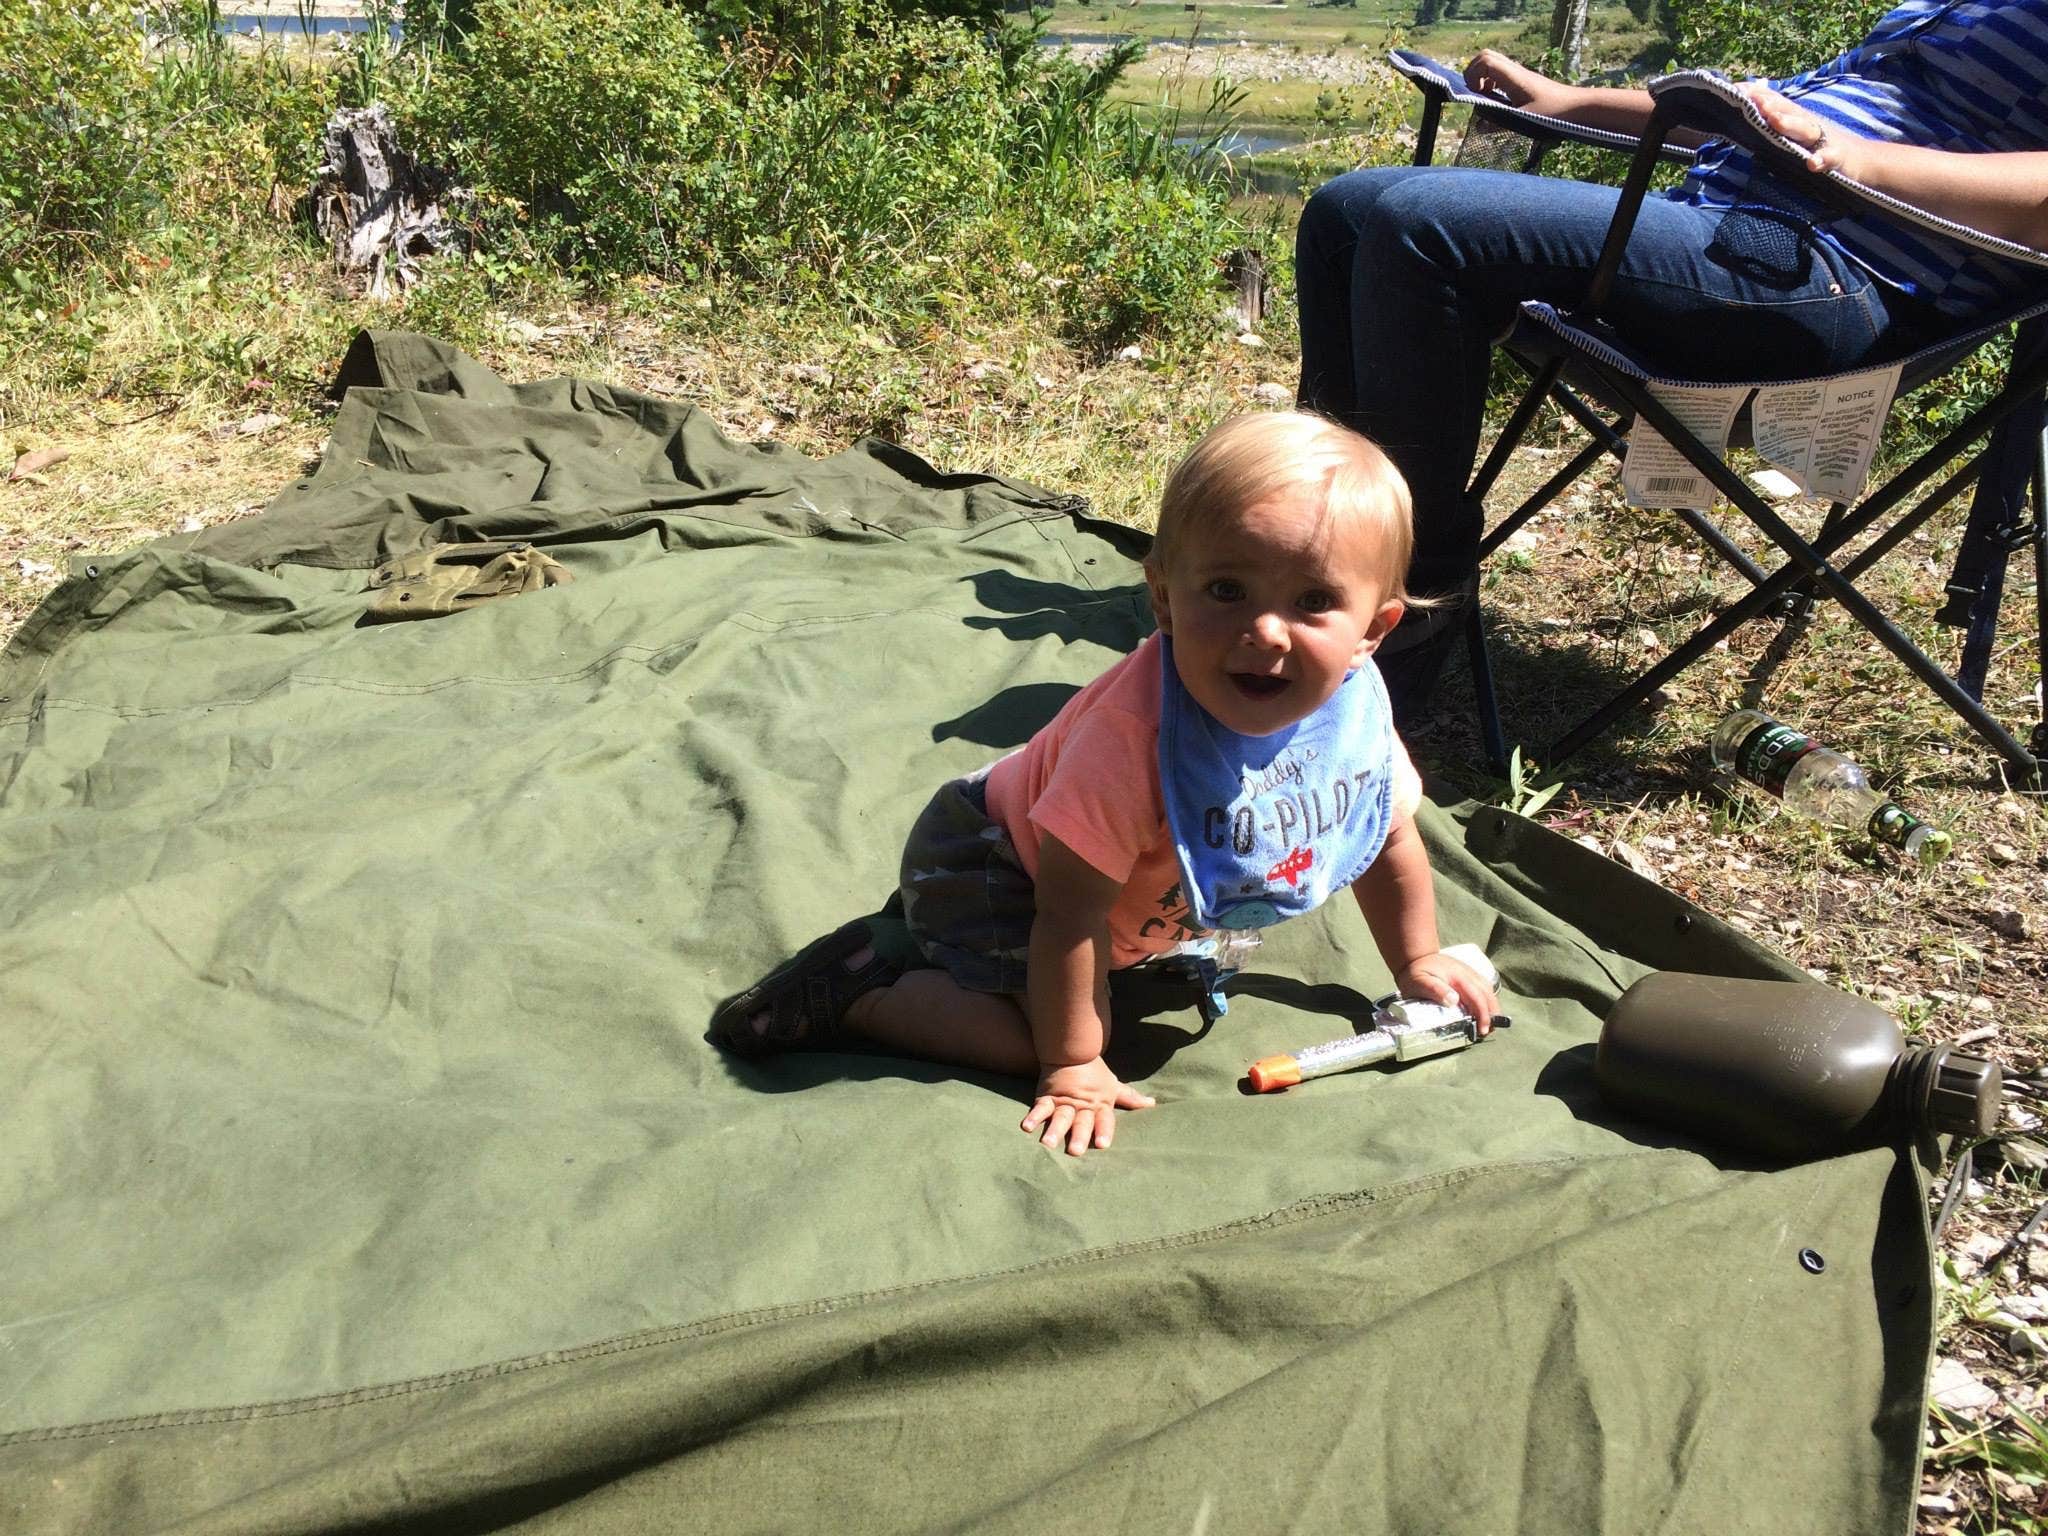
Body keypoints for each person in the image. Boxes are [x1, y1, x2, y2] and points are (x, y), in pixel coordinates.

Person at [711, 412, 1500, 1156]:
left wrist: (1416, 962)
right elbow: (1068, 912)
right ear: (1162, 596)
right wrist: (1072, 1065)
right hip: (995, 865)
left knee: (1090, 998)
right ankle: (862, 990)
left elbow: (1386, 830)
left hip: (1113, 899)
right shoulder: (1132, 743)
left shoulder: (1351, 716)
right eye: (1227, 590)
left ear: (1373, 629)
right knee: (1051, 1034)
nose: (1265, 631)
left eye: (1315, 601)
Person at [1297, 0, 2048, 719]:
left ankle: (1389, 612)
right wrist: (1568, 102)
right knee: (1345, 212)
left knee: (1420, 228)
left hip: (1844, 279)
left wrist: (1857, 158)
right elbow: (1765, 120)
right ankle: (1301, 554)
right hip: (1726, 235)